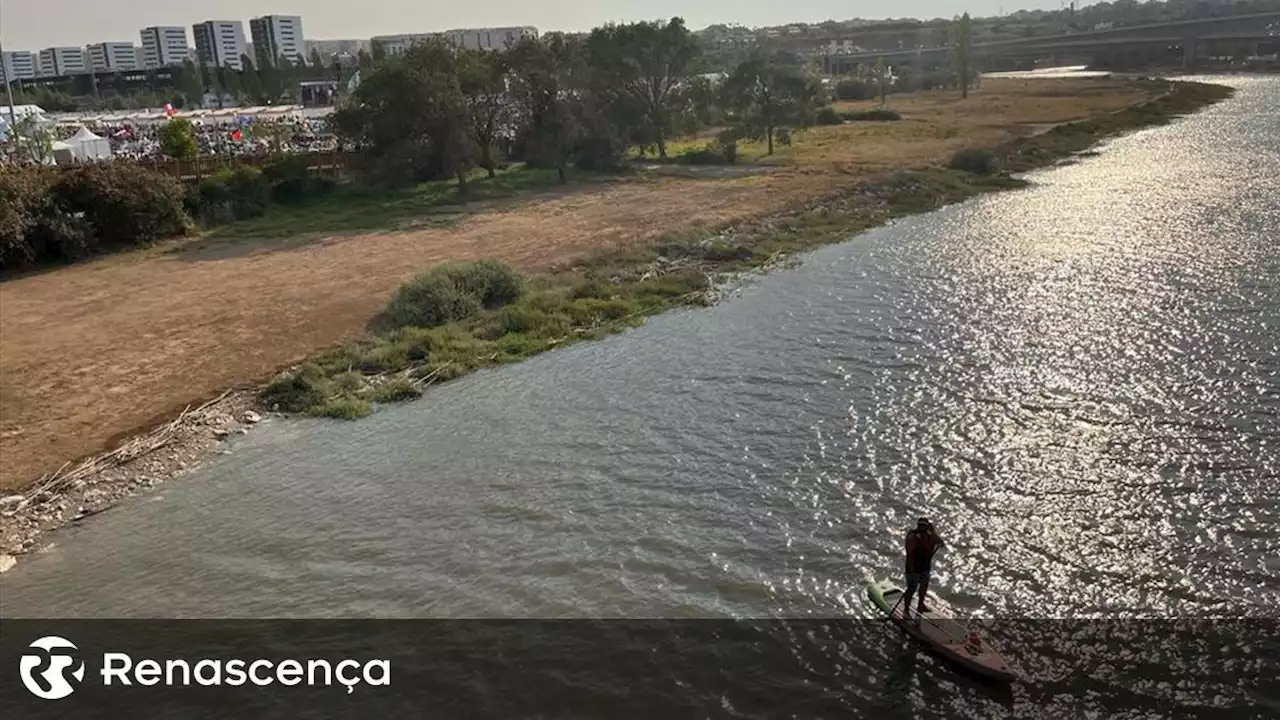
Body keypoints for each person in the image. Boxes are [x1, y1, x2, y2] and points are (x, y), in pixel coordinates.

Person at [902, 517, 944, 621]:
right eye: (922, 526)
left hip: (925, 567)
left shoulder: (930, 536)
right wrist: (911, 570)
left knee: (923, 587)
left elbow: (940, 543)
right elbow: (910, 553)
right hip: (914, 568)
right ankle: (906, 610)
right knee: (911, 589)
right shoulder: (913, 536)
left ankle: (921, 605)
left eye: (925, 526)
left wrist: (933, 532)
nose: (923, 528)